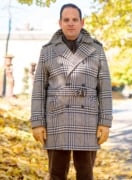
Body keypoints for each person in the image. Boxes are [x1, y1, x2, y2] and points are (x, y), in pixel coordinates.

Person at [30, 3, 112, 180]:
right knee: (56, 174)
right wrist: (37, 122)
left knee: (85, 173)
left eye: (75, 19)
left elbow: (104, 88)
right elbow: (38, 89)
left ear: (82, 22)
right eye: (66, 20)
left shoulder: (96, 49)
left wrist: (105, 122)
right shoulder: (47, 51)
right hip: (57, 118)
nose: (71, 23)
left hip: (88, 119)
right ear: (60, 23)